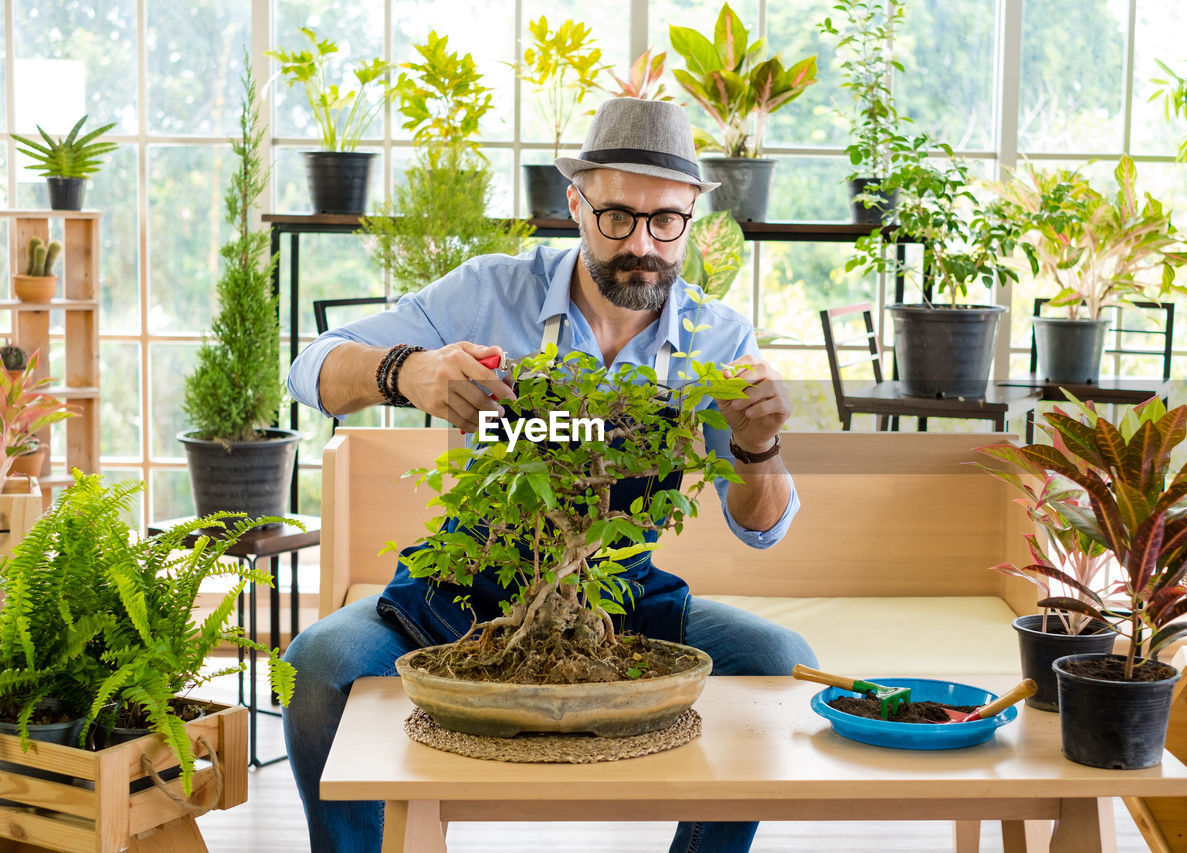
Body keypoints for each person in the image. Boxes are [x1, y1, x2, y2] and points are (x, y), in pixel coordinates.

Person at [283, 96, 818, 853]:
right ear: (575, 202)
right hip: (462, 589)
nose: (643, 244)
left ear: (692, 214)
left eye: (666, 220)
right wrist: (410, 371)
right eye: (617, 217)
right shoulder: (489, 290)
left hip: (616, 599)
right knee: (316, 667)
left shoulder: (716, 337)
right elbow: (311, 368)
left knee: (775, 660)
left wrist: (759, 447)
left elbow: (761, 529)